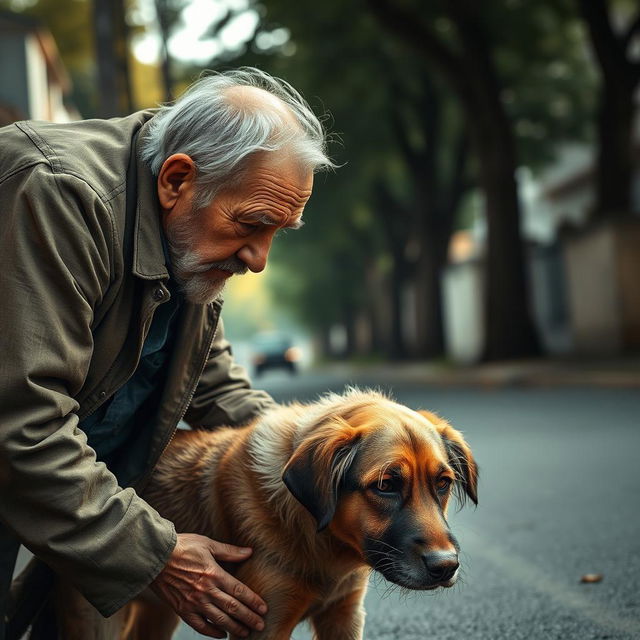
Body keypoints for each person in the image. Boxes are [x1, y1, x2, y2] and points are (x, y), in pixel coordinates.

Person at [0, 67, 334, 639]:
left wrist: (330, 462)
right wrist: (158, 554)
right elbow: (20, 424)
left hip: (78, 484)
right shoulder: (59, 193)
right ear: (177, 179)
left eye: (281, 230)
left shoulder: (192, 237)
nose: (259, 259)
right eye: (253, 224)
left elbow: (215, 387)